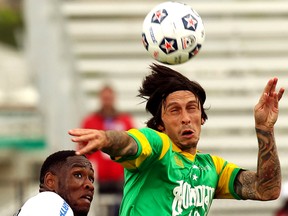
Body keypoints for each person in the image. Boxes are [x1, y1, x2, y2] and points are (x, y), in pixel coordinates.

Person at [68, 64, 284, 216]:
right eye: (174, 110)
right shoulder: (158, 148)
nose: (185, 118)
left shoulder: (213, 169)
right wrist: (107, 138)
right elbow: (129, 143)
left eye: (192, 108)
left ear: (202, 117)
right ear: (160, 124)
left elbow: (267, 190)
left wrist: (264, 129)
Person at [80, 85, 135, 215]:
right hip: (97, 177)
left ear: (114, 99)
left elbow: (133, 145)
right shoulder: (90, 121)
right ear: (100, 99)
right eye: (105, 98)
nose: (107, 101)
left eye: (109, 98)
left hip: (120, 177)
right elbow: (82, 149)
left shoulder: (125, 120)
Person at [14, 150, 95, 216]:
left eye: (91, 179)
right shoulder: (49, 203)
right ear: (50, 181)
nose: (90, 185)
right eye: (78, 175)